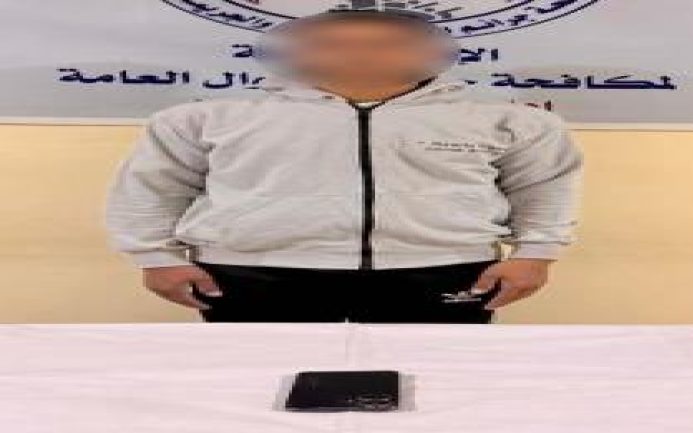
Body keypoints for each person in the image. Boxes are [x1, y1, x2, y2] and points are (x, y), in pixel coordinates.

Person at [104, 10, 584, 324]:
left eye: (388, 44)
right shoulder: (208, 117)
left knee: (431, 390)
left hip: (444, 272)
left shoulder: (505, 119)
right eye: (334, 44)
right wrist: (156, 258)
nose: (361, 55)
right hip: (253, 275)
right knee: (261, 391)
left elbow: (543, 188)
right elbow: (152, 189)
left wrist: (536, 253)